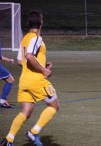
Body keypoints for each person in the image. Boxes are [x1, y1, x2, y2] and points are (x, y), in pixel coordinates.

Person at [1, 11, 59, 146]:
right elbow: (29, 56)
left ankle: (8, 140)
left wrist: (42, 64)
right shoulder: (36, 38)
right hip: (36, 80)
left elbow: (20, 61)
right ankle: (34, 132)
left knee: (25, 112)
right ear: (41, 23)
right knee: (54, 106)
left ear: (28, 23)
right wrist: (44, 70)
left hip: (24, 81)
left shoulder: (24, 39)